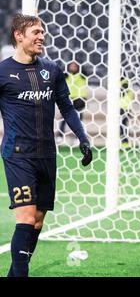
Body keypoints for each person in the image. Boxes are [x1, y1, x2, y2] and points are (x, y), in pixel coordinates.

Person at [0, 14, 92, 277]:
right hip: (18, 154)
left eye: (43, 32)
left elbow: (67, 107)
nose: (42, 36)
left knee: (37, 223)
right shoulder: (3, 72)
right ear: (19, 35)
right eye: (36, 32)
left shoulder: (51, 69)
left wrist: (83, 139)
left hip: (47, 154)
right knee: (26, 220)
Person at [56, 61, 88, 143]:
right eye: (71, 66)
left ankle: (78, 138)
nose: (73, 67)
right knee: (64, 118)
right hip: (68, 98)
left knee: (78, 119)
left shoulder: (82, 75)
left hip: (79, 99)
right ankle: (60, 136)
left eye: (75, 66)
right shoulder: (66, 76)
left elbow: (87, 72)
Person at [119, 77, 134, 148]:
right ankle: (123, 143)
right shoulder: (125, 82)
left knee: (122, 126)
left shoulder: (125, 83)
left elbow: (122, 93)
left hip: (124, 107)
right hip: (123, 107)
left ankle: (125, 143)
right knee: (122, 126)